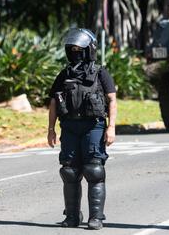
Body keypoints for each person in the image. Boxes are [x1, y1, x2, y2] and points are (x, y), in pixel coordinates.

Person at [47, 28, 118, 230]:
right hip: (69, 127)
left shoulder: (100, 73)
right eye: (73, 49)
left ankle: (96, 217)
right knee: (69, 171)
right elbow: (53, 103)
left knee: (94, 170)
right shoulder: (64, 74)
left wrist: (111, 127)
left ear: (89, 49)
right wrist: (50, 129)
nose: (76, 52)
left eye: (80, 49)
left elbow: (111, 99)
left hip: (93, 126)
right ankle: (71, 216)